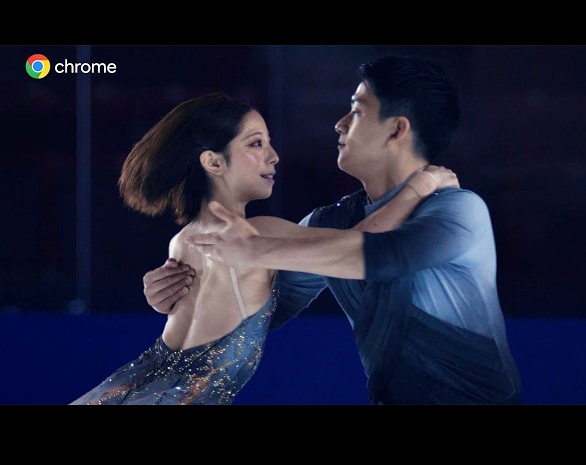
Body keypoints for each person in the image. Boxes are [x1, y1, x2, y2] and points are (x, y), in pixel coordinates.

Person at [144, 55, 522, 405]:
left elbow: (386, 255)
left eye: (356, 111)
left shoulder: (459, 210)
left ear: (397, 130)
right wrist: (183, 293)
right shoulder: (330, 223)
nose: (339, 124)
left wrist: (254, 250)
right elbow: (261, 309)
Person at [71, 91, 459, 405]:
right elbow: (361, 245)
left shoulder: (185, 238)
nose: (273, 156)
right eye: (256, 144)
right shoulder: (256, 235)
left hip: (127, 389)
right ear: (213, 163)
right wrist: (421, 186)